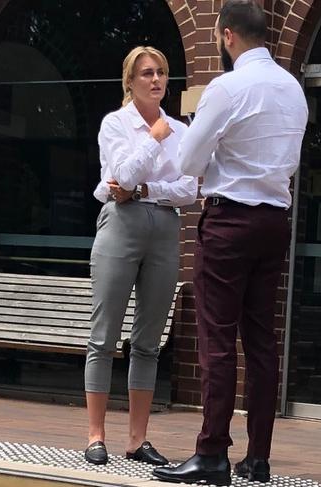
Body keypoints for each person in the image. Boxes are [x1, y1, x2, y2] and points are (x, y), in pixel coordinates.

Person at [152, 1, 308, 485]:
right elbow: (290, 162)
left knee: (217, 340)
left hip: (229, 221)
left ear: (225, 36)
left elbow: (188, 163)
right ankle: (258, 458)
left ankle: (212, 454)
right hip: (274, 220)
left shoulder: (226, 87)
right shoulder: (294, 90)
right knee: (261, 341)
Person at [84, 46, 198, 467]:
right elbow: (122, 176)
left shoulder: (181, 130)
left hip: (165, 230)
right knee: (104, 334)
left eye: (162, 73)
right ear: (129, 81)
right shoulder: (116, 123)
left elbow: (188, 191)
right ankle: (96, 435)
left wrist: (148, 189)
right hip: (122, 224)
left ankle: (137, 440)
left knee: (148, 340)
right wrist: (152, 141)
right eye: (146, 73)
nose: (156, 80)